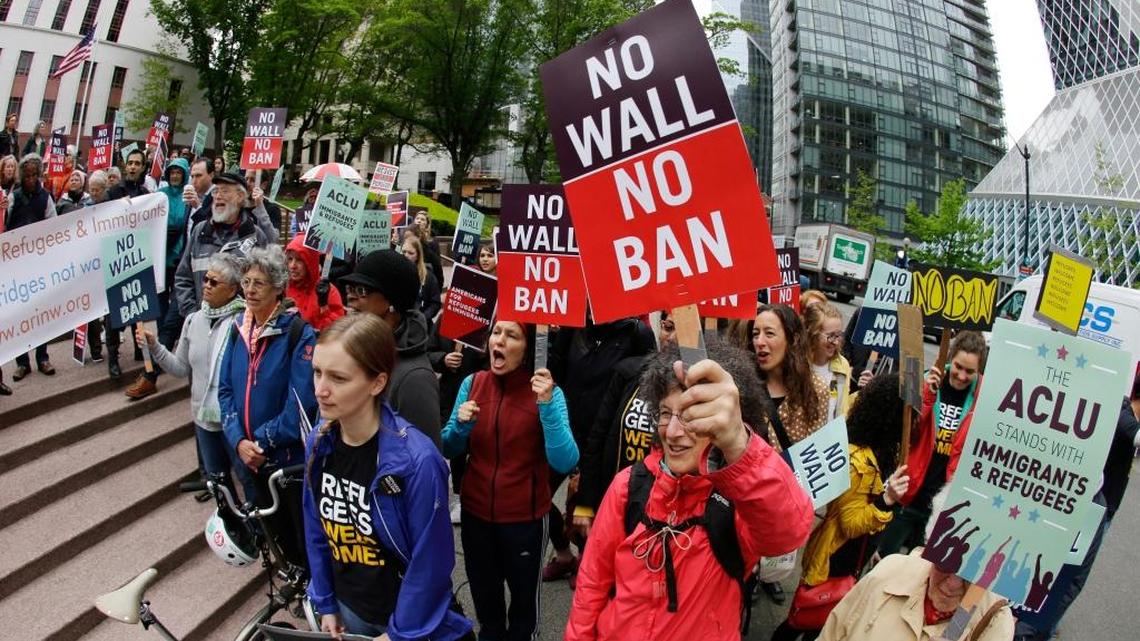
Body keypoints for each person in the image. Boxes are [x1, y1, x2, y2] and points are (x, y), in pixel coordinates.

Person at [565, 339, 814, 641]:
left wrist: (737, 443)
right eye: (666, 413)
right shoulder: (628, 485)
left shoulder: (739, 501)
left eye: (690, 415)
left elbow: (786, 533)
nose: (671, 432)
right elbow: (592, 582)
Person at [302, 314, 474, 640]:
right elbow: (315, 528)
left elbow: (430, 563)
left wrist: (398, 634)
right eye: (317, 373)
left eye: (338, 378)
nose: (321, 390)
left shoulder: (417, 462)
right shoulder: (318, 441)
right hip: (350, 610)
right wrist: (326, 602)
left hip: (411, 622)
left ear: (377, 383)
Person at [443, 320, 579, 641]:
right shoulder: (472, 383)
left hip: (525, 522)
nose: (499, 341)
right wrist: (460, 426)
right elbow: (448, 446)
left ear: (528, 348)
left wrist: (546, 406)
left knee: (522, 618)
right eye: (496, 333)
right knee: (488, 616)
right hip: (476, 519)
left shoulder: (549, 393)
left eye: (512, 335)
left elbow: (566, 460)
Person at [770, 374, 911, 641]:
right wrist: (887, 501)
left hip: (853, 556)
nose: (911, 423)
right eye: (906, 415)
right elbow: (851, 524)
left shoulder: (881, 451)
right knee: (807, 619)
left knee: (818, 621)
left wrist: (873, 549)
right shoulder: (858, 461)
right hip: (835, 559)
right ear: (890, 416)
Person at [219, 244, 318, 570]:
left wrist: (259, 442)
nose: (249, 290)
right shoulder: (236, 331)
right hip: (248, 460)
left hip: (284, 464)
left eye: (258, 283)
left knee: (302, 540)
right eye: (246, 282)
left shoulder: (298, 334)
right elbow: (225, 393)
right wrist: (238, 441)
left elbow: (299, 406)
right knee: (275, 537)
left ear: (278, 287)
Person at [545, 315, 656, 584]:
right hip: (564, 431)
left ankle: (587, 556)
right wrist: (540, 342)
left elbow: (645, 386)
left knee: (592, 504)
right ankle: (563, 553)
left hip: (604, 437)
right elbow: (555, 369)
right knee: (535, 495)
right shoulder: (573, 325)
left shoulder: (637, 333)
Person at [818, 495, 1014, 641]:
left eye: (970, 575)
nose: (953, 584)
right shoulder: (890, 571)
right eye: (945, 563)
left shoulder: (994, 624)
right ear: (930, 545)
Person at [138, 253, 246, 495]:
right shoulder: (193, 321)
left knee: (248, 482)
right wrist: (155, 346)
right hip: (203, 420)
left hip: (234, 422)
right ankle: (231, 529)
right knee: (219, 485)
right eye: (206, 279)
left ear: (231, 291)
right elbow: (180, 368)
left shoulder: (243, 323)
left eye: (214, 282)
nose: (206, 285)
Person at [877, 331, 986, 558]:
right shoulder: (923, 379)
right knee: (884, 561)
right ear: (949, 358)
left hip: (942, 505)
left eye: (970, 371)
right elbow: (905, 432)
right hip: (909, 496)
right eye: (958, 367)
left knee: (920, 573)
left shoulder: (984, 398)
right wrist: (926, 396)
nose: (962, 376)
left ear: (979, 371)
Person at [572, 312, 677, 541]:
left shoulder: (702, 390)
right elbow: (597, 437)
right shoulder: (628, 372)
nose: (672, 337)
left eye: (683, 328)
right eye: (668, 327)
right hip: (615, 503)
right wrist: (585, 503)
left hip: (665, 517)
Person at [751, 304, 829, 603]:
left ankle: (767, 579)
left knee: (772, 565)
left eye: (769, 333)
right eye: (756, 333)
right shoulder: (743, 381)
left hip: (782, 503)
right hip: (743, 501)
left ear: (792, 339)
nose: (760, 341)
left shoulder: (816, 390)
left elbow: (815, 452)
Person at [341, 250, 442, 446]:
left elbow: (426, 461)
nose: (350, 297)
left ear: (391, 302)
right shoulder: (357, 351)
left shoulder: (415, 378)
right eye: (349, 288)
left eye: (361, 290)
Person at [125, 157, 193, 400]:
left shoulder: (189, 200)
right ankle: (160, 357)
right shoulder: (161, 194)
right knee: (162, 311)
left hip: (183, 262)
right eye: (172, 172)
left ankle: (151, 371)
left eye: (179, 172)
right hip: (162, 259)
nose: (175, 176)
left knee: (174, 317)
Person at [174, 172, 276, 319]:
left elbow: (266, 283)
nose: (218, 196)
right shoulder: (199, 231)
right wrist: (192, 315)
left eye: (225, 191)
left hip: (239, 328)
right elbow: (183, 277)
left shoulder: (255, 236)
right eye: (216, 191)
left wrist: (248, 320)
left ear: (240, 197)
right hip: (201, 321)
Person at [5, 154, 57, 380]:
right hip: (17, 267)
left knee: (40, 313)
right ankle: (22, 362)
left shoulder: (46, 198)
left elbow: (54, 226)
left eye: (34, 175)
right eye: (27, 175)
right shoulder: (13, 197)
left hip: (39, 264)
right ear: (21, 175)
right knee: (20, 314)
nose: (30, 179)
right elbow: (5, 224)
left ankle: (42, 358)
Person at [802, 303, 854, 421]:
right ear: (812, 333)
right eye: (830, 336)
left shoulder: (842, 365)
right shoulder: (797, 363)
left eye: (838, 335)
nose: (835, 342)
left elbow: (841, 410)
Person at [285, 234, 345, 332]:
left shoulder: (327, 291)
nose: (293, 265)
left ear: (310, 262)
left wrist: (324, 307)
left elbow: (336, 332)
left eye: (299, 260)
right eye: (290, 259)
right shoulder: (282, 288)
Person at [401, 235, 442, 322]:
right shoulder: (396, 272)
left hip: (421, 326)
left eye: (410, 253)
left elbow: (435, 303)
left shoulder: (428, 276)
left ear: (418, 255)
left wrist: (423, 317)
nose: (406, 255)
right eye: (404, 252)